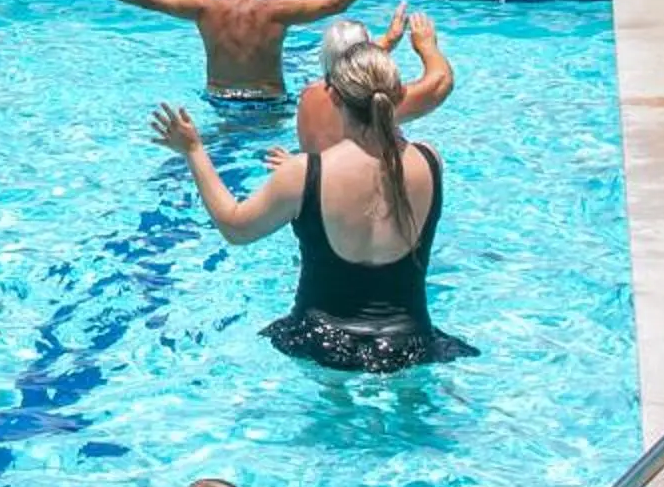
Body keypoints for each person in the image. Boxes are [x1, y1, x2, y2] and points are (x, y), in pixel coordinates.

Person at [150, 38, 476, 373]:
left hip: (323, 344)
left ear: (333, 96)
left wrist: (193, 150)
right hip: (413, 344)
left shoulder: (304, 172)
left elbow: (235, 227)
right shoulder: (429, 160)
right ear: (396, 94)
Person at [67, 0, 397, 100]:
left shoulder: (204, 7)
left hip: (219, 101)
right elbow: (338, 1)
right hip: (269, 104)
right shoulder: (275, 9)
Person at [296, 7, 454, 154]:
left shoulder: (308, 95)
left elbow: (348, 63)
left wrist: (388, 40)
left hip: (316, 180)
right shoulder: (371, 101)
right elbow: (441, 81)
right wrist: (426, 45)